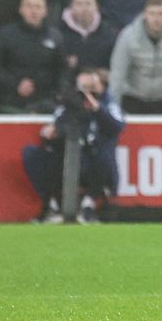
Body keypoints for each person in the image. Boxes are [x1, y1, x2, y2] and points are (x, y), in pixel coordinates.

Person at [21, 68, 125, 225]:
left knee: (102, 155)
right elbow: (57, 128)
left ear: (100, 87)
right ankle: (52, 205)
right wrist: (52, 133)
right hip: (65, 157)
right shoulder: (69, 104)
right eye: (84, 87)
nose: (87, 92)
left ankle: (88, 206)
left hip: (94, 160)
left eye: (91, 87)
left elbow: (117, 126)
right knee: (33, 154)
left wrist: (97, 109)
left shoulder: (107, 103)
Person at [59, 0, 118, 74]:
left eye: (88, 4)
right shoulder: (59, 32)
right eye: (79, 4)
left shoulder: (109, 33)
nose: (84, 8)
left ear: (96, 7)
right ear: (71, 7)